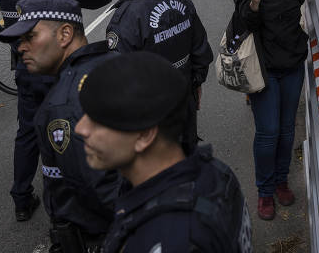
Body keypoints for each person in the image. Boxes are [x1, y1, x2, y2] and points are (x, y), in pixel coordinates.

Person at [75, 52, 252, 253]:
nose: (80, 129)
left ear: (143, 135)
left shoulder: (172, 240)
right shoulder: (215, 173)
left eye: (97, 120)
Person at [0, 0, 112, 222]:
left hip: (23, 62)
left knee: (26, 131)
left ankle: (21, 198)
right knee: (65, 128)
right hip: (55, 67)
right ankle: (70, 194)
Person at [0, 0, 121, 251]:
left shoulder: (63, 105)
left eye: (29, 37)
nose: (20, 48)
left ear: (65, 34)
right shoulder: (111, 62)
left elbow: (101, 190)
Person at [230, 0, 307, 221]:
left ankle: (281, 181)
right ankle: (264, 192)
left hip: (292, 65)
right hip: (262, 67)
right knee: (268, 132)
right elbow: (242, 24)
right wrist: (254, 5)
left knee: (287, 130)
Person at [105, 0, 213, 153]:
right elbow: (200, 48)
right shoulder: (179, 0)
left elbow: (120, 78)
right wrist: (195, 83)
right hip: (184, 97)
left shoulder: (125, 20)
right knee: (186, 157)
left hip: (150, 112)